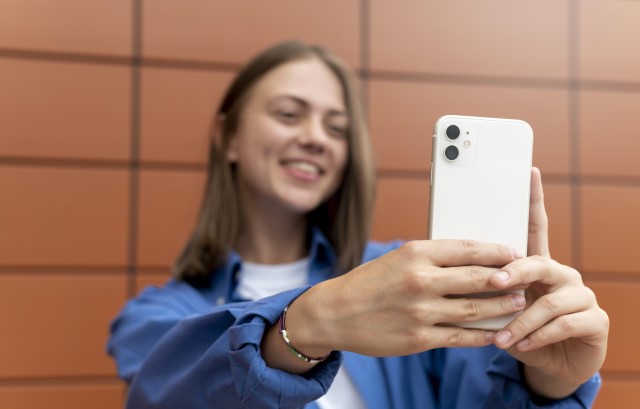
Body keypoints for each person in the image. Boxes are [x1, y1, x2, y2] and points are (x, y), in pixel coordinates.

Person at [107, 41, 608, 409]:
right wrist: (309, 322)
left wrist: (550, 383)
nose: (315, 138)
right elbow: (167, 394)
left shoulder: (410, 283)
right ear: (229, 136)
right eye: (288, 114)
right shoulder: (161, 317)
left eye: (336, 127)